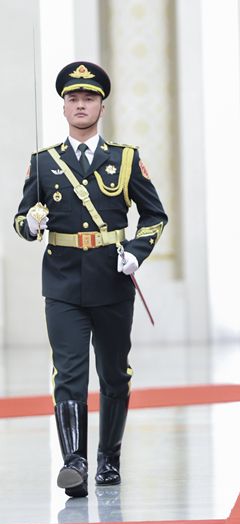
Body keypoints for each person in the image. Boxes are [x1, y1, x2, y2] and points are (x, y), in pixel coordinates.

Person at [13, 61, 168, 498]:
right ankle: (74, 462)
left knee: (114, 373)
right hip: (62, 283)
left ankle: (109, 457)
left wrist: (136, 252)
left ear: (102, 106)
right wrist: (31, 224)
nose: (80, 105)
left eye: (89, 98)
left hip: (112, 281)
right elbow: (21, 219)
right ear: (63, 107)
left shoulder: (125, 158)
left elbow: (155, 215)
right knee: (68, 373)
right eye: (73, 98)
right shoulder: (44, 162)